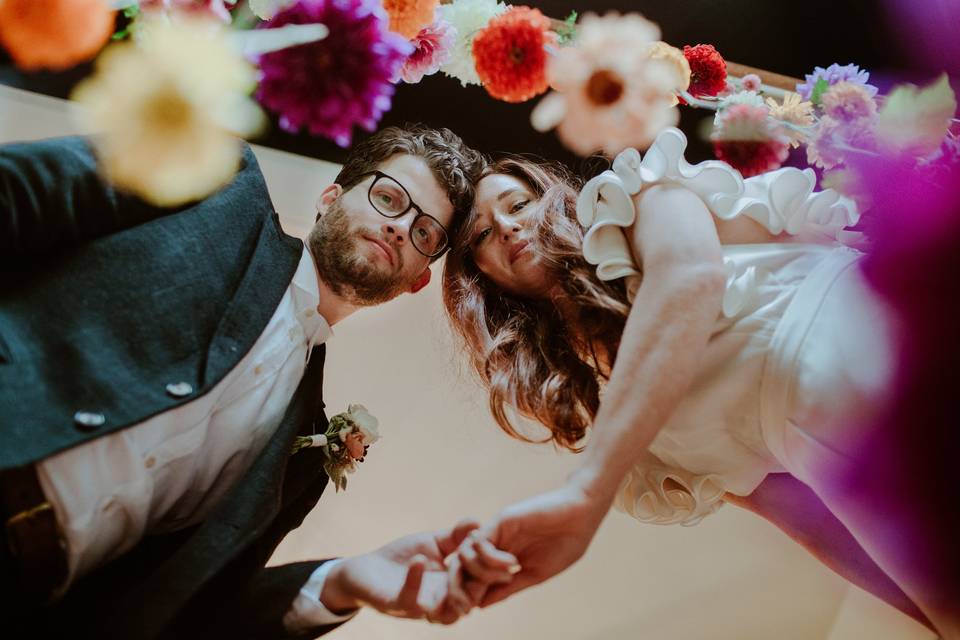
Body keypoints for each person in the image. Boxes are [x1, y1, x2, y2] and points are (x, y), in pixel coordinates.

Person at [0, 124, 516, 638]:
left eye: (425, 233)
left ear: (417, 280)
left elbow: (201, 612)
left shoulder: (303, 464)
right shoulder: (220, 181)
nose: (401, 227)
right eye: (388, 198)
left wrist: (339, 583)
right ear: (329, 197)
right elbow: (18, 191)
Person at [441, 127, 958, 637]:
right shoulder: (630, 433)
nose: (507, 227)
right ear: (481, 275)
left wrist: (586, 492)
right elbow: (805, 519)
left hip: (872, 344)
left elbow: (689, 279)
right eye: (483, 233)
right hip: (858, 478)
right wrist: (933, 611)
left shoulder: (638, 197)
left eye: (518, 204)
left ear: (553, 196)